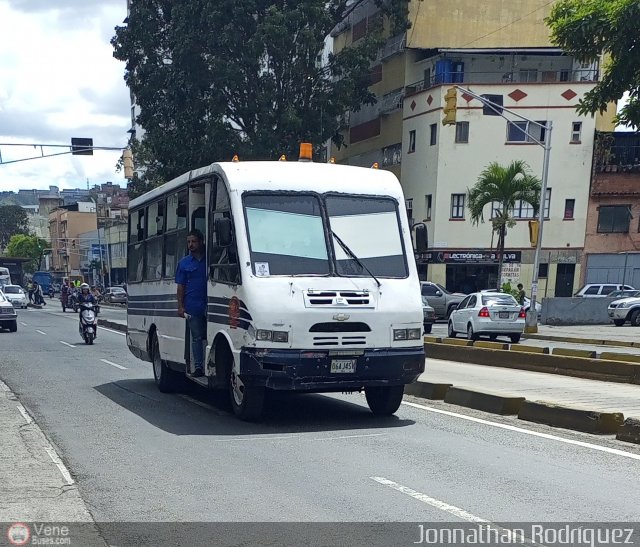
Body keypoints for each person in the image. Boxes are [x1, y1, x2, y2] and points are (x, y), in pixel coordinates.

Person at [175, 229, 207, 377]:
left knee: (211, 336)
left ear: (201, 242)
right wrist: (180, 307)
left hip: (211, 305)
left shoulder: (210, 260)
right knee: (197, 337)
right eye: (188, 242)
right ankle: (199, 367)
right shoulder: (183, 263)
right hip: (193, 306)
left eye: (193, 241)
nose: (191, 245)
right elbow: (180, 287)